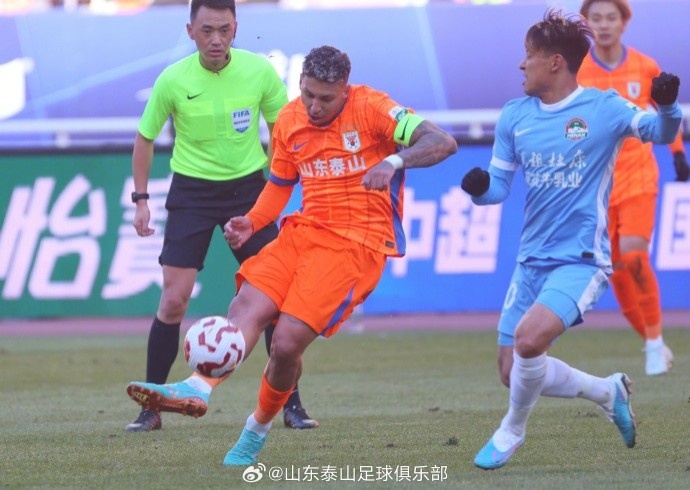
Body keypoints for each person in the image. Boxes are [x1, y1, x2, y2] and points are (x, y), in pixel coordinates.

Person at [126, 44, 458, 464]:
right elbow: (280, 185)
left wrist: (392, 161)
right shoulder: (289, 119)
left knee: (284, 345)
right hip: (302, 232)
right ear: (299, 84)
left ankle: (256, 429)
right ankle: (197, 387)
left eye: (326, 98)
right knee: (245, 305)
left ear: (345, 89)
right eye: (308, 94)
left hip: (356, 244)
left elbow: (442, 142)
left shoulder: (373, 108)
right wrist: (252, 220)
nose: (314, 106)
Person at [460, 9, 682, 470]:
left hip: (580, 260)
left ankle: (511, 430)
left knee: (528, 341)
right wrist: (479, 189)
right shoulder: (515, 116)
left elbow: (660, 133)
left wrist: (666, 107)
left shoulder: (604, 109)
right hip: (530, 262)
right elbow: (498, 189)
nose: (522, 64)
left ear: (555, 62)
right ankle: (607, 391)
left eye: (529, 55)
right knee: (511, 371)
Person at [126, 0, 317, 433]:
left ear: (236, 28)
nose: (216, 39)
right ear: (190, 30)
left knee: (274, 302)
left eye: (224, 30)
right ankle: (151, 408)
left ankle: (291, 406)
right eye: (207, 30)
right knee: (174, 300)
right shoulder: (172, 79)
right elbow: (144, 137)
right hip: (191, 193)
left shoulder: (259, 72)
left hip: (248, 193)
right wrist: (141, 199)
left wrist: (286, 187)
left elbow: (285, 134)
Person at [577, 0, 687, 376]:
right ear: (586, 23)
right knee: (617, 271)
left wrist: (677, 152)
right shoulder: (578, 71)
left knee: (636, 257)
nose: (604, 25)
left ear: (624, 22)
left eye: (611, 17)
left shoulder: (645, 66)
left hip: (638, 175)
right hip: (597, 184)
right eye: (596, 18)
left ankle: (654, 345)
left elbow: (666, 113)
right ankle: (652, 340)